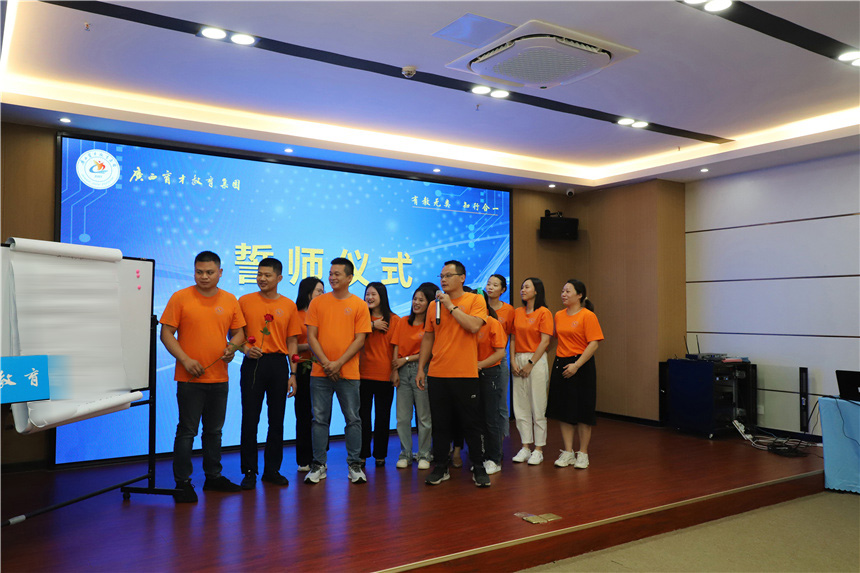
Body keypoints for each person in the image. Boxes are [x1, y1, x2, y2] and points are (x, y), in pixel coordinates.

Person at [160, 251, 246, 503]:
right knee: (187, 431)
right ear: (194, 271)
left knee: (214, 432)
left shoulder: (229, 299)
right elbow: (166, 333)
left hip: (219, 378)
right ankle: (182, 483)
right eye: (199, 272)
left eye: (210, 272)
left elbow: (239, 333)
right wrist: (185, 360)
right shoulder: (180, 297)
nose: (204, 276)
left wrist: (232, 348)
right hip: (189, 378)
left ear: (220, 273)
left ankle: (213, 477)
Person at [416, 260, 491, 488]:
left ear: (462, 278)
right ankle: (441, 466)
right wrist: (421, 368)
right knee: (440, 424)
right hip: (438, 373)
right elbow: (428, 337)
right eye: (441, 276)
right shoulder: (433, 305)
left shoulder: (475, 300)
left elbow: (474, 326)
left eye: (448, 275)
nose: (443, 280)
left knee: (471, 424)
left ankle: (478, 467)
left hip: (465, 374)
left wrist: (451, 306)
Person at [304, 257, 372, 485]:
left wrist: (338, 363)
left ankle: (354, 465)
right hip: (320, 372)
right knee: (319, 420)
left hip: (348, 373)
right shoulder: (317, 303)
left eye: (337, 274)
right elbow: (311, 337)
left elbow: (360, 340)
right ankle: (318, 465)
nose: (332, 277)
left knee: (353, 419)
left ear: (350, 278)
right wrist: (327, 363)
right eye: (330, 273)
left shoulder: (359, 305)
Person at [237, 257, 301, 489]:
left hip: (278, 364)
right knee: (250, 418)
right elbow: (235, 334)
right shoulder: (244, 301)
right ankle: (249, 471)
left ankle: (272, 470)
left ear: (279, 278)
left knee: (277, 419)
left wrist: (293, 373)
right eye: (259, 274)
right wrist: (246, 349)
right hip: (253, 363)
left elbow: (292, 341)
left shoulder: (289, 305)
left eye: (267, 275)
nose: (261, 279)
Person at [547, 280, 604, 469]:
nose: (563, 294)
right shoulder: (558, 315)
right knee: (563, 410)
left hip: (582, 365)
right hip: (561, 364)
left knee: (583, 411)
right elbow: (554, 339)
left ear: (579, 295)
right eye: (562, 291)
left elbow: (594, 343)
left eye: (568, 291)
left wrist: (577, 365)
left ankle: (583, 453)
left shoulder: (588, 315)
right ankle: (568, 452)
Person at [390, 282, 437, 470]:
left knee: (424, 417)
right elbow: (396, 345)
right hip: (402, 370)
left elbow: (430, 351)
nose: (416, 303)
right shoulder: (402, 321)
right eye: (414, 299)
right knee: (402, 417)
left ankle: (424, 454)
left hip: (422, 369)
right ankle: (405, 454)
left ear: (429, 303)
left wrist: (407, 359)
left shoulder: (430, 325)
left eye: (421, 300)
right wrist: (395, 369)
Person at [510, 277, 553, 465]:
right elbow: (512, 338)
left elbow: (545, 341)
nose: (522, 290)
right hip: (518, 358)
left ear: (536, 291)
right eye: (522, 287)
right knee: (520, 406)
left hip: (536, 359)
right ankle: (525, 446)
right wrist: (512, 361)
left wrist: (530, 363)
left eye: (527, 287)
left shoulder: (544, 312)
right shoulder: (517, 312)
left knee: (538, 404)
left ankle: (539, 449)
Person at [359, 282, 400, 467]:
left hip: (385, 375)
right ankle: (362, 454)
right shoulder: (361, 318)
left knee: (382, 417)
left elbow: (396, 347)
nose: (369, 297)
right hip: (362, 374)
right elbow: (351, 334)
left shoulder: (395, 319)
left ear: (382, 296)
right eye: (367, 294)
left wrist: (395, 370)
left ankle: (380, 455)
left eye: (373, 294)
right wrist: (372, 325)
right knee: (362, 417)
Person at [294, 276, 325, 472]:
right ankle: (304, 458)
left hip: (321, 368)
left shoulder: (324, 314)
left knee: (321, 415)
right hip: (302, 369)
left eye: (323, 291)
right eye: (319, 291)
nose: (323, 294)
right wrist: (310, 346)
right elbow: (289, 345)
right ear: (308, 293)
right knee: (303, 414)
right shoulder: (295, 314)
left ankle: (320, 457)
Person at [477, 292, 508, 475]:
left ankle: (494, 459)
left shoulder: (492, 322)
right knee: (478, 419)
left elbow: (500, 353)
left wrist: (480, 364)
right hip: (472, 374)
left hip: (490, 373)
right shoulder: (469, 324)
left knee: (491, 418)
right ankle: (482, 457)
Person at [485, 274, 514, 440]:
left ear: (503, 290)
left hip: (499, 358)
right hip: (481, 359)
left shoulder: (508, 310)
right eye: (489, 284)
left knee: (501, 400)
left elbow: (509, 335)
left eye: (495, 285)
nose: (490, 287)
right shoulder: (479, 306)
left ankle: (501, 440)